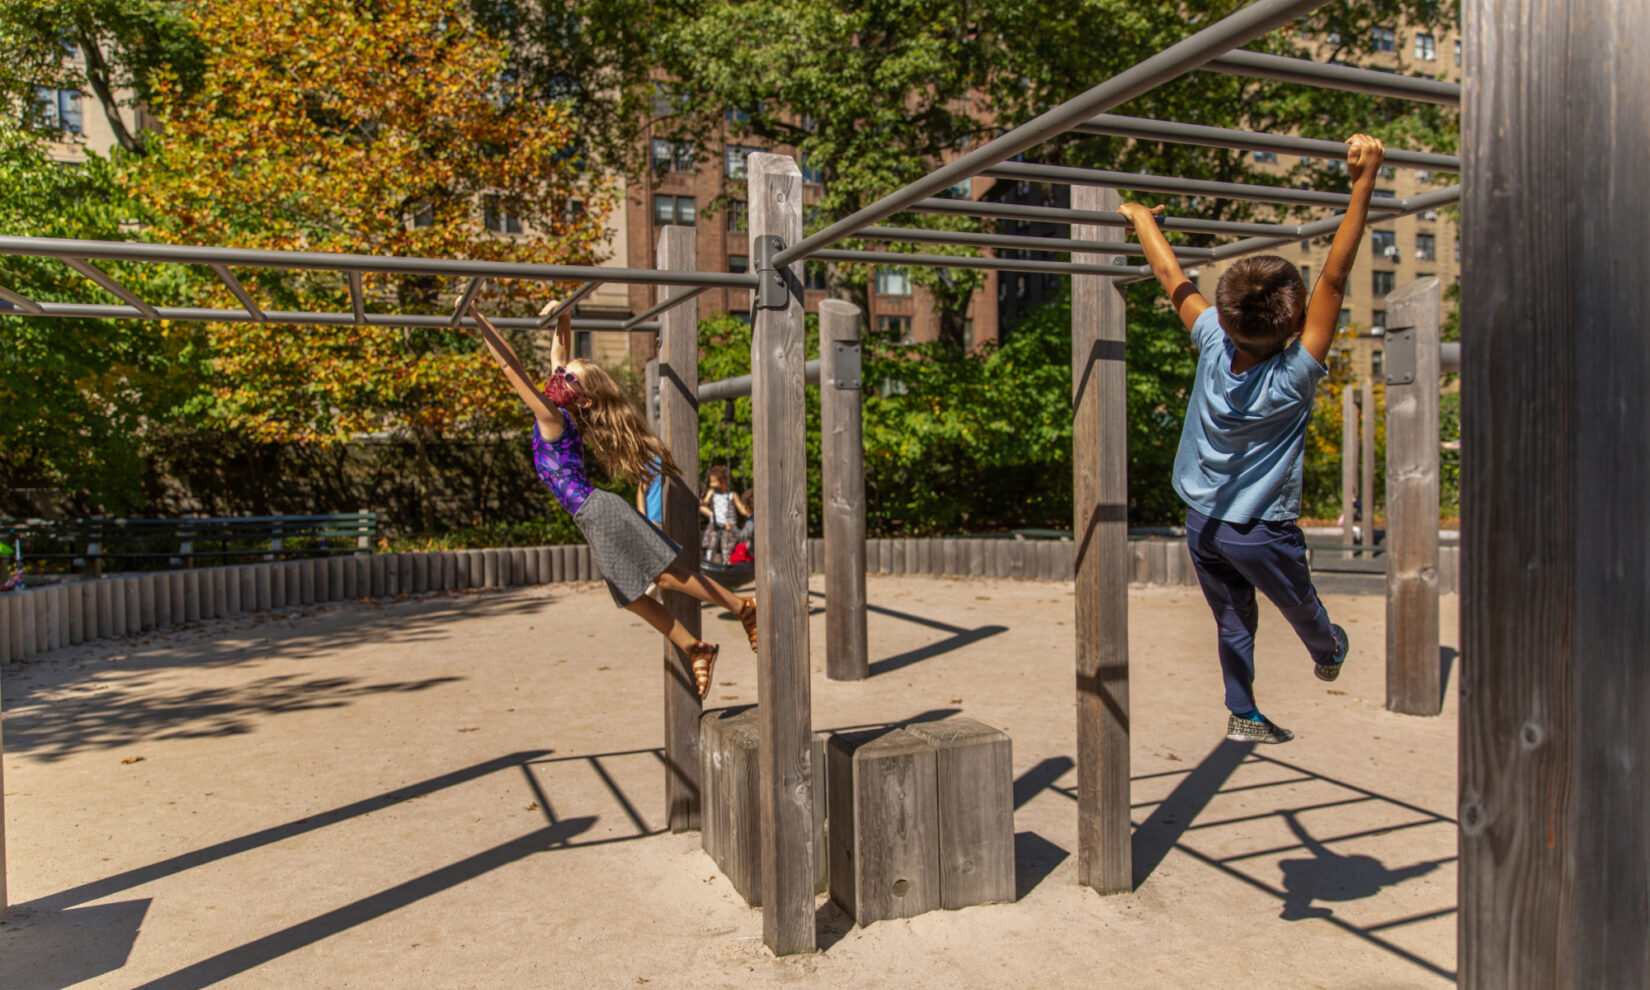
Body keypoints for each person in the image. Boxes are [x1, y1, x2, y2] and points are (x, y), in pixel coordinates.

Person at [1119, 133, 1385, 745]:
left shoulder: (1212, 338)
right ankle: (1328, 650)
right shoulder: (1294, 374)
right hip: (1259, 529)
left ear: (1224, 310)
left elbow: (1170, 276)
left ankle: (1243, 710)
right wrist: (1363, 181)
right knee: (1301, 606)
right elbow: (1336, 279)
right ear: (1295, 322)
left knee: (1234, 618)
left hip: (1202, 522)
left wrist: (1140, 218)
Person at [464, 297, 759, 698]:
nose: (561, 375)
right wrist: (563, 310)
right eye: (564, 374)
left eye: (570, 379)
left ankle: (744, 607)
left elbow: (509, 367)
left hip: (599, 511)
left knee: (664, 576)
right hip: (592, 517)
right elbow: (559, 350)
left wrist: (480, 318)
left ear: (582, 399)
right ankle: (697, 647)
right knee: (632, 597)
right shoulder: (562, 408)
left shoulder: (552, 416)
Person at [698, 465, 748, 565]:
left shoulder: (732, 494)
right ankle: (709, 562)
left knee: (727, 546)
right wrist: (702, 503)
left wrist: (748, 512)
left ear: (723, 481)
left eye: (713, 481)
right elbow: (706, 502)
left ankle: (727, 563)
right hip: (715, 524)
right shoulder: (712, 492)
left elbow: (740, 508)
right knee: (711, 545)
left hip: (728, 525)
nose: (711, 484)